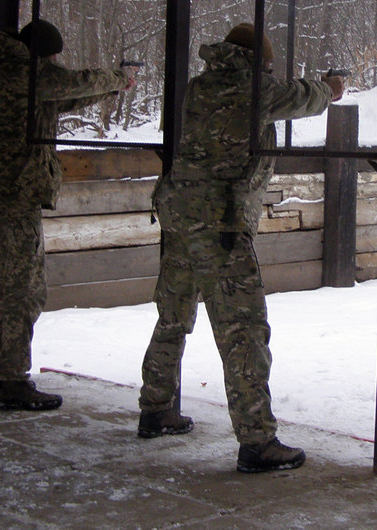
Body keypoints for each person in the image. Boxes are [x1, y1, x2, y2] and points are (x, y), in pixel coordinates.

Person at [138, 23, 344, 472]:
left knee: (173, 315)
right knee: (243, 331)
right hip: (220, 224)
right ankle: (257, 442)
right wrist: (330, 88)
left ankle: (156, 407)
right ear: (260, 63)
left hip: (179, 213)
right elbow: (302, 97)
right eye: (268, 65)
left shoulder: (199, 86)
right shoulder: (254, 90)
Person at [0, 19, 136, 410]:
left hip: (12, 192)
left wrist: (116, 86)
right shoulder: (22, 74)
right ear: (40, 55)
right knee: (24, 290)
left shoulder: (18, 76)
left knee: (9, 286)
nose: (52, 64)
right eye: (50, 58)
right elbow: (70, 84)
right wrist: (116, 76)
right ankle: (13, 380)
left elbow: (66, 96)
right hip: (15, 193)